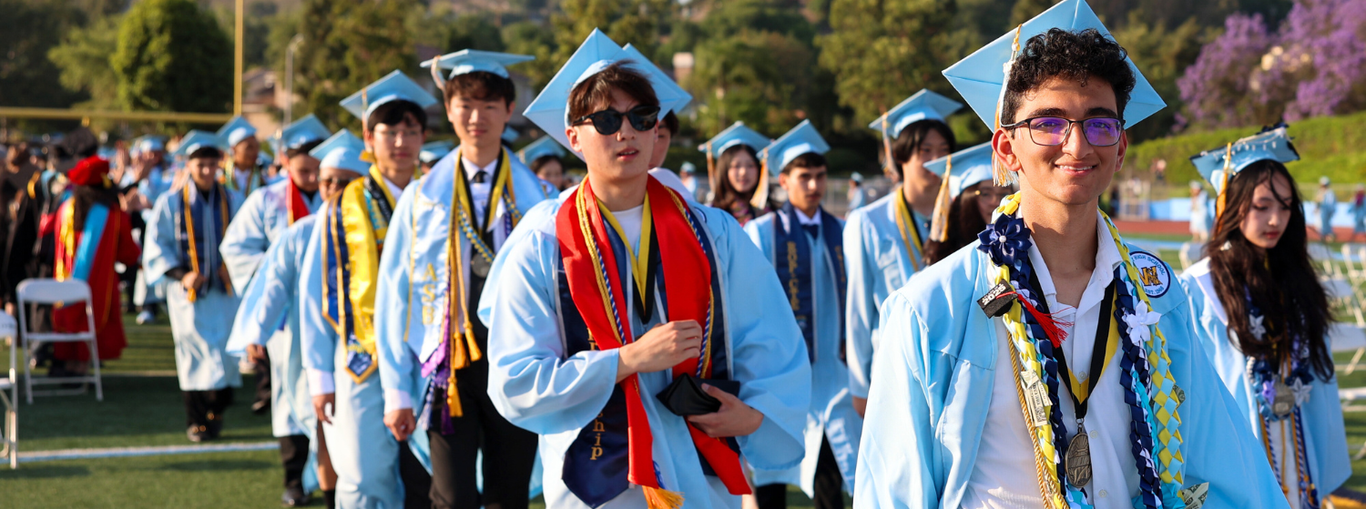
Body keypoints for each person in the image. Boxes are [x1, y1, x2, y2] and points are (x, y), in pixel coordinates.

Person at [857, 1, 1292, 506]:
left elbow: (1219, 458)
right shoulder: (934, 308)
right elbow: (895, 490)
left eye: (1099, 124)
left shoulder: (1157, 296)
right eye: (1049, 122)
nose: (1078, 145)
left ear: (1121, 148)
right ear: (1006, 150)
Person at [488, 29, 810, 509]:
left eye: (641, 117)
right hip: (598, 472)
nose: (627, 131)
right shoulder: (542, 242)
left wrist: (755, 415)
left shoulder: (713, 233)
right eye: (607, 119)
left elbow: (767, 336)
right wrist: (626, 360)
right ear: (573, 136)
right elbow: (517, 377)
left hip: (699, 465)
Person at [377, 49, 552, 509]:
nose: (477, 117)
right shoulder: (420, 199)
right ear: (449, 110)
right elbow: (393, 295)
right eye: (465, 105)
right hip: (447, 368)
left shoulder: (541, 198)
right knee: (451, 497)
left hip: (517, 359)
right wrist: (396, 389)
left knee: (508, 493)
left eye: (490, 105)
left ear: (509, 111)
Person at [1182, 126, 1350, 509]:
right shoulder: (1200, 288)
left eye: (1286, 206)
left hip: (1298, 449)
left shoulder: (1293, 281)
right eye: (1262, 206)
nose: (1276, 219)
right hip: (1235, 457)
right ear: (1233, 205)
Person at [299, 70, 437, 509]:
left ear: (423, 137)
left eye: (410, 132)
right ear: (368, 137)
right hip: (364, 359)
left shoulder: (437, 202)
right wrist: (320, 378)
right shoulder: (342, 207)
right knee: (364, 474)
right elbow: (315, 296)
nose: (400, 142)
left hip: (429, 359)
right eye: (389, 132)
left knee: (434, 475)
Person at [229, 130, 368, 508]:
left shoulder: (379, 225)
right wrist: (256, 332)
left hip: (368, 348)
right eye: (327, 181)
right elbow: (271, 284)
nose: (332, 189)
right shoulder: (302, 231)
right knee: (318, 423)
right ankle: (322, 494)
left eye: (344, 182)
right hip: (309, 342)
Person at [743, 121, 857, 509]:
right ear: (783, 181)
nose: (814, 185)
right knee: (771, 475)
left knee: (831, 480)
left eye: (820, 176)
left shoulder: (844, 232)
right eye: (803, 177)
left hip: (834, 380)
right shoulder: (760, 234)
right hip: (780, 378)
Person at [220, 115, 331, 505]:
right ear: (285, 163)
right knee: (288, 396)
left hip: (334, 317)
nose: (314, 178)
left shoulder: (339, 196)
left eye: (319, 169)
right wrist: (278, 265)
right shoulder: (266, 200)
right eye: (304, 170)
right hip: (287, 318)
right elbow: (235, 249)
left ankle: (332, 479)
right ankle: (294, 480)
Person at [843, 88, 960, 416]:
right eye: (925, 150)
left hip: (954, 367)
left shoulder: (962, 218)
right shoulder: (868, 222)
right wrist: (859, 385)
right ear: (901, 156)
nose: (935, 160)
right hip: (893, 368)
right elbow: (858, 310)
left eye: (943, 150)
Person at [143, 130, 244, 443]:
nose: (206, 170)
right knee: (192, 356)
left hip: (225, 291)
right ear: (187, 165)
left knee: (227, 355)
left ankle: (217, 412)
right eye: (200, 164)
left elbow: (246, 240)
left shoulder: (234, 199)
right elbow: (156, 246)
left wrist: (234, 267)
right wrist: (180, 273)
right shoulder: (170, 202)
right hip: (188, 293)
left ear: (219, 166)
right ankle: (197, 421)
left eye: (211, 164)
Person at [40, 131, 141, 375]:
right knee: (91, 315)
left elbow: (45, 231)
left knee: (68, 313)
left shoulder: (66, 206)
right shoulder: (112, 212)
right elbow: (127, 251)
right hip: (99, 283)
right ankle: (82, 367)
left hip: (63, 280)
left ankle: (69, 363)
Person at [919, 142, 1016, 266]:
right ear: (963, 201)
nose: (996, 202)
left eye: (1004, 194)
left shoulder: (1019, 246)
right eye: (985, 194)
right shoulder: (944, 262)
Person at [2, 140, 45, 318]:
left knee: (10, 288)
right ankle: (13, 331)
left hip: (10, 238)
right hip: (13, 240)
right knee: (13, 285)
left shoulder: (10, 179)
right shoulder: (25, 182)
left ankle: (10, 332)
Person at [699, 121, 773, 226]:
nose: (743, 172)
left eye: (750, 165)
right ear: (724, 170)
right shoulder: (711, 215)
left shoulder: (772, 214)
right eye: (736, 166)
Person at [217, 116, 275, 197]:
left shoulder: (264, 178)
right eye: (249, 147)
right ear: (234, 149)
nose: (255, 152)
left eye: (257, 147)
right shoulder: (219, 177)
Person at [1317, 176, 1336, 243]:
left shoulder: (1330, 192)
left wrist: (1331, 210)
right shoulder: (1320, 192)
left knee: (1326, 224)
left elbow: (1331, 203)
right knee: (1320, 224)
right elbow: (1317, 201)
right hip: (1321, 211)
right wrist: (1316, 208)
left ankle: (1329, 237)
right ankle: (1323, 237)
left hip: (1327, 211)